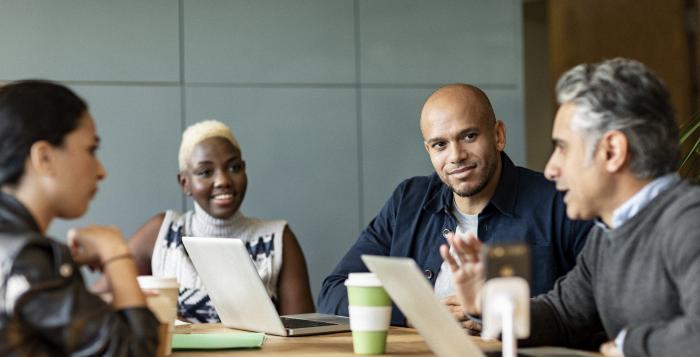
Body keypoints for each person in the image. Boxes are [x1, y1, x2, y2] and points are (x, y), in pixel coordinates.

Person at [444, 58, 700, 356]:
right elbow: (560, 316)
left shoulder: (689, 222)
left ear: (612, 151)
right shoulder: (607, 235)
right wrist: (488, 304)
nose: (551, 169)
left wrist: (627, 346)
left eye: (563, 148)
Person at [318, 84, 592, 326]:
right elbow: (333, 293)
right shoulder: (408, 201)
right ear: (429, 151)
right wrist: (417, 314)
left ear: (498, 135)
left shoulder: (560, 201)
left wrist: (495, 315)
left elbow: (598, 305)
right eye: (440, 144)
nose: (456, 156)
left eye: (469, 136)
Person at [0, 80, 159, 355]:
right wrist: (116, 254)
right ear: (44, 157)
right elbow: (136, 351)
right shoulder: (27, 260)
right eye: (91, 149)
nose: (101, 171)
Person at [121, 120, 315, 323]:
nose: (223, 180)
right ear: (185, 183)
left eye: (234, 167)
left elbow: (302, 338)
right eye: (206, 172)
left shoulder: (277, 239)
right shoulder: (162, 232)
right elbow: (102, 300)